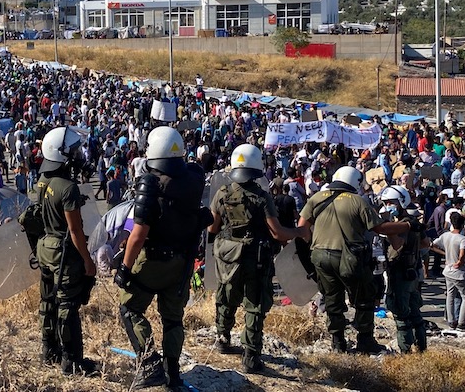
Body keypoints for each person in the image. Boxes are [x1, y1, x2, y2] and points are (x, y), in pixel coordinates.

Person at [114, 126, 211, 390]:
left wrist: (124, 268)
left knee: (130, 309)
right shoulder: (195, 176)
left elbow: (139, 233)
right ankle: (174, 375)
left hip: (153, 261)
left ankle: (149, 365)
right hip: (181, 263)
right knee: (172, 319)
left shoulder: (151, 183)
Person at [208, 144, 306, 372]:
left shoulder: (222, 193)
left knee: (226, 296)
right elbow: (277, 232)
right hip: (255, 258)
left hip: (228, 257)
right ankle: (250, 357)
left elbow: (212, 228)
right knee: (254, 304)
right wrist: (300, 233)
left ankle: (222, 338)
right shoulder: (262, 197)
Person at [297, 166, 416, 354]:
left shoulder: (316, 198)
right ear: (355, 182)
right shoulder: (358, 201)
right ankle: (365, 340)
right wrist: (407, 225)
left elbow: (302, 228)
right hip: (347, 257)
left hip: (320, 256)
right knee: (364, 297)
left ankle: (337, 343)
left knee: (332, 299)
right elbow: (380, 228)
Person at [35, 126, 98, 376]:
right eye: (72, 151)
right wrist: (87, 260)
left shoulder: (43, 181)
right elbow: (74, 231)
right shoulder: (68, 188)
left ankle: (48, 349)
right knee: (67, 305)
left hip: (45, 249)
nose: (77, 154)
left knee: (47, 300)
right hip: (64, 253)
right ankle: (71, 361)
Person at [380, 185, 430, 353]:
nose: (388, 206)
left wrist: (387, 228)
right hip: (412, 272)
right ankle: (421, 349)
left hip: (400, 273)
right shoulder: (413, 222)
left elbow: (396, 244)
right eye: (386, 203)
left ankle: (406, 353)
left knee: (401, 315)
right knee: (415, 313)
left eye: (391, 202)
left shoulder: (402, 225)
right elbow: (425, 243)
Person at [430, 212, 465, 329]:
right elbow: (463, 253)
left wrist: (445, 254)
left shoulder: (445, 235)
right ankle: (461, 322)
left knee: (450, 295)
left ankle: (451, 320)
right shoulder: (462, 239)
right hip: (458, 272)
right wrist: (460, 261)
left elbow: (432, 245)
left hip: (448, 269)